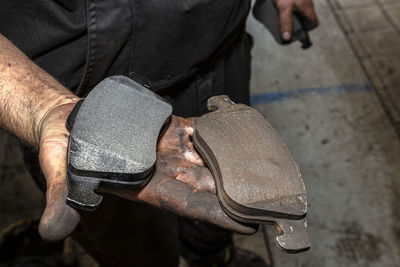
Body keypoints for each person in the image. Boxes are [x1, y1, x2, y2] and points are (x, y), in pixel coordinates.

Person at [0, 1, 318, 266]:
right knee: (138, 250)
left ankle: (212, 258)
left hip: (218, 46)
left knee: (220, 218)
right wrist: (42, 103)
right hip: (72, 89)